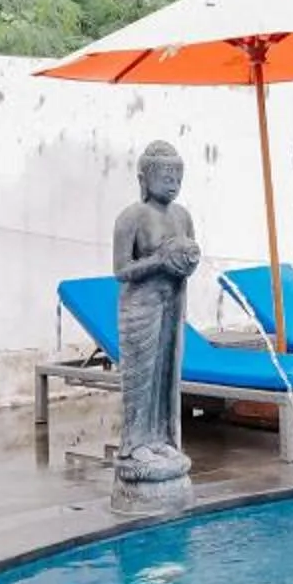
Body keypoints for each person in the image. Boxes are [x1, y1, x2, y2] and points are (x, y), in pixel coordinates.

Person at [110, 140, 200, 482]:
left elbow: (188, 256)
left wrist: (185, 258)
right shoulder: (131, 217)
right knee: (141, 376)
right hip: (140, 306)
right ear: (143, 178)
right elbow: (120, 271)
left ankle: (161, 437)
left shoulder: (183, 216)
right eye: (165, 175)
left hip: (173, 303)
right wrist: (159, 260)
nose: (173, 182)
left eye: (178, 175)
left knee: (166, 374)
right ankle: (134, 444)